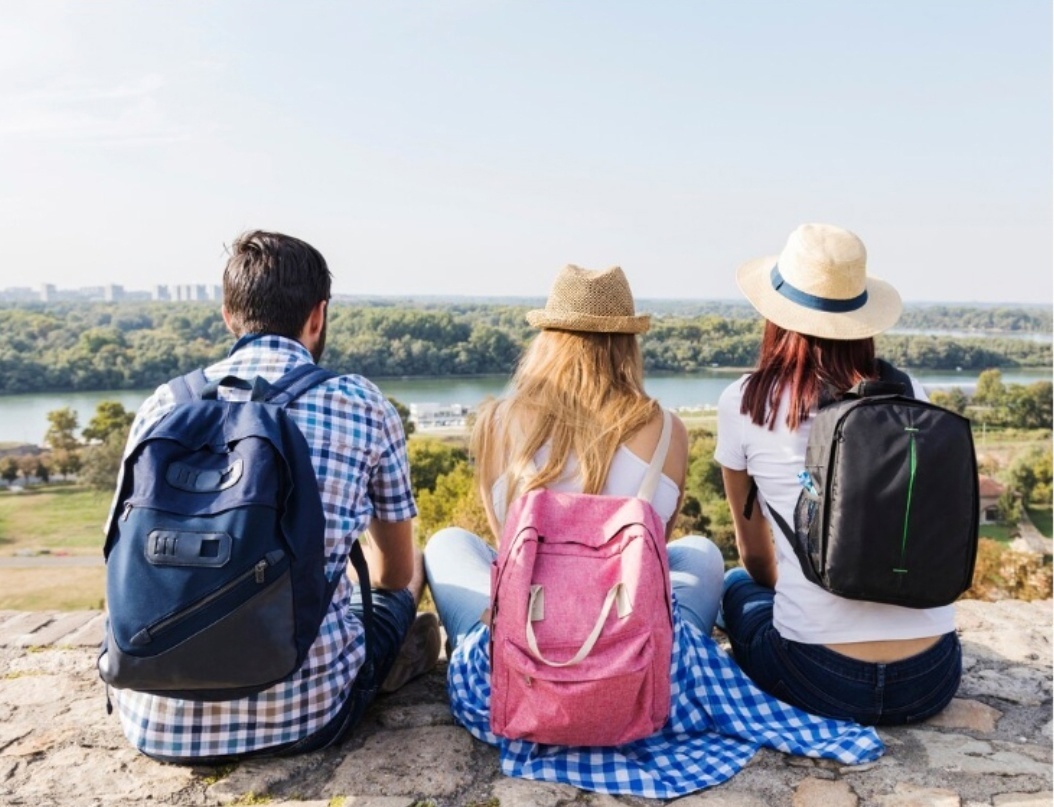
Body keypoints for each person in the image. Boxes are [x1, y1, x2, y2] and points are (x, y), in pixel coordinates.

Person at [424, 264, 884, 799]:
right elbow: (650, 555)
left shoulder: (498, 422)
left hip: (529, 649)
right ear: (629, 344)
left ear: (546, 339)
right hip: (635, 657)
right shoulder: (666, 429)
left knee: (449, 545)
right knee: (699, 554)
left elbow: (510, 557)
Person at [109, 230, 441, 762]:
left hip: (154, 723)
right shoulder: (360, 404)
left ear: (228, 316)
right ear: (317, 316)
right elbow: (395, 574)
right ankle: (388, 661)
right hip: (306, 717)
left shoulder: (161, 406)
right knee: (409, 576)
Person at [715, 222, 962, 726]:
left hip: (817, 676)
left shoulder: (746, 401)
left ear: (776, 316)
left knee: (739, 585)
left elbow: (757, 555)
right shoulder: (912, 391)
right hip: (931, 677)